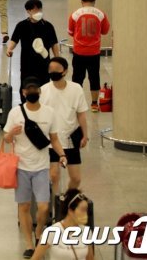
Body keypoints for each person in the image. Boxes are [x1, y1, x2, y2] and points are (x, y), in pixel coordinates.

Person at [3, 76, 68, 259]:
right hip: (21, 167)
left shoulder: (49, 113)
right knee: (23, 206)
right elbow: (6, 138)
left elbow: (54, 139)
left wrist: (62, 155)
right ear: (23, 93)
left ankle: (39, 231)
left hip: (41, 167)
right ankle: (29, 244)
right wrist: (11, 134)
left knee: (43, 207)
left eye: (35, 90)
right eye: (29, 90)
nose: (32, 93)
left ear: (39, 92)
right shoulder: (15, 113)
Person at [40, 57, 89, 195]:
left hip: (70, 139)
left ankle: (66, 198)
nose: (53, 72)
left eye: (56, 70)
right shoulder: (43, 91)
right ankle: (56, 204)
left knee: (76, 178)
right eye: (50, 70)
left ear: (65, 71)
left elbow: (81, 114)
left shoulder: (76, 89)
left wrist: (85, 135)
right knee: (54, 175)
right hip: (52, 141)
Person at [7, 0, 60, 99]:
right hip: (27, 63)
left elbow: (54, 44)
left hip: (44, 63)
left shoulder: (48, 26)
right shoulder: (22, 25)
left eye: (39, 9)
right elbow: (14, 40)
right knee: (27, 84)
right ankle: (25, 104)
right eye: (35, 10)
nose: (38, 12)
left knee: (44, 86)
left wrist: (57, 59)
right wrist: (9, 49)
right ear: (28, 11)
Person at [68, 0, 111, 112]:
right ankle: (94, 104)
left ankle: (77, 104)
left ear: (81, 1)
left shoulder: (75, 14)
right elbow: (105, 31)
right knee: (94, 77)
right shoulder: (100, 14)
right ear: (94, 1)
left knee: (77, 78)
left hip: (79, 51)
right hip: (94, 52)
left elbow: (70, 32)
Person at [30, 189, 95, 260]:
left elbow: (90, 258)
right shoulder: (51, 232)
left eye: (86, 210)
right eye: (82, 210)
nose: (85, 214)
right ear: (70, 211)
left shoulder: (86, 232)